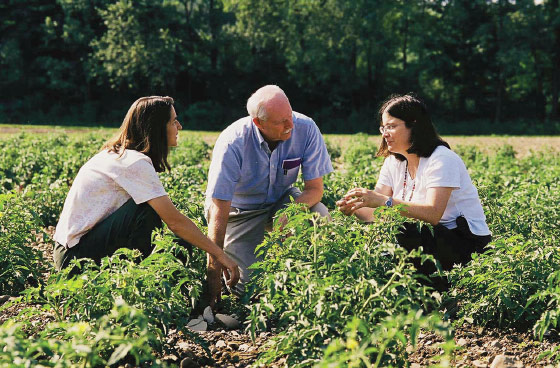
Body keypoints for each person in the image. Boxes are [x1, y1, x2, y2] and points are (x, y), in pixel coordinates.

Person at [53, 96, 240, 291]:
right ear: (157, 127)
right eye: (173, 121)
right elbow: (175, 222)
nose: (180, 126)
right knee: (147, 212)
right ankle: (143, 286)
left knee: (176, 238)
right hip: (73, 260)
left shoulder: (121, 154)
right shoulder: (133, 162)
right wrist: (220, 255)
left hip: (70, 251)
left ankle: (148, 284)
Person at [336, 94, 491, 283]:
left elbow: (433, 214)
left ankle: (429, 293)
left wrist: (384, 201)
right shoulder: (393, 161)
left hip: (464, 243)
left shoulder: (442, 159)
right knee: (386, 231)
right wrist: (355, 207)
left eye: (391, 126)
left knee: (402, 230)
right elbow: (377, 214)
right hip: (429, 240)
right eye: (383, 127)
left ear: (414, 124)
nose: (385, 134)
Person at [205, 85, 333, 302]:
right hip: (240, 212)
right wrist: (214, 264)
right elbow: (219, 205)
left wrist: (290, 212)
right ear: (258, 122)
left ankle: (315, 282)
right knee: (247, 292)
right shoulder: (233, 142)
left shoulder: (306, 128)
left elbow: (315, 190)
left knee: (318, 214)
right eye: (280, 122)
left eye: (290, 116)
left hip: (281, 202)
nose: (290, 125)